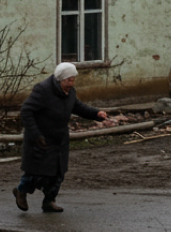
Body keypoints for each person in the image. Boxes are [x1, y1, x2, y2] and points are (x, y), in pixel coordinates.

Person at [13, 62, 108, 213]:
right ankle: (21, 191)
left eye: (73, 79)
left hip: (60, 139)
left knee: (58, 172)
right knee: (36, 172)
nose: (71, 83)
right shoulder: (43, 90)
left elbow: (77, 107)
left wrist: (96, 114)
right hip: (41, 138)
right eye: (68, 80)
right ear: (60, 79)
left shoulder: (70, 92)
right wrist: (35, 133)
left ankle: (49, 201)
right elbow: (26, 110)